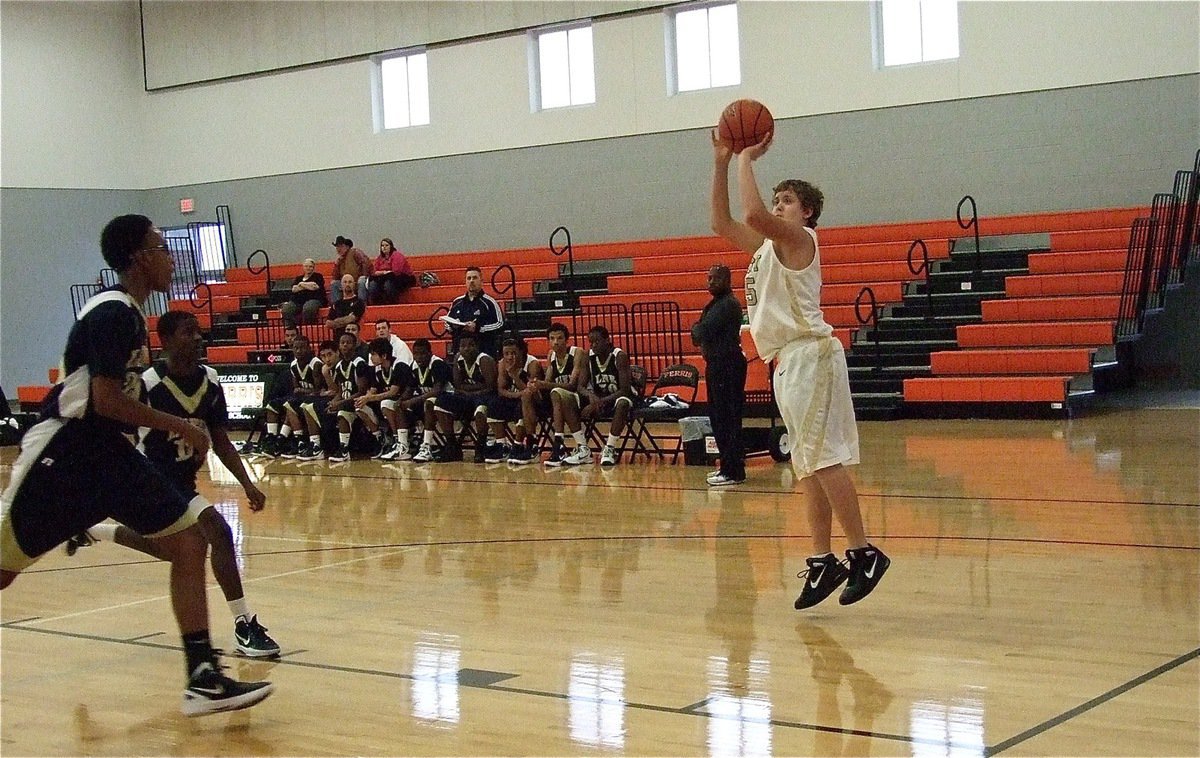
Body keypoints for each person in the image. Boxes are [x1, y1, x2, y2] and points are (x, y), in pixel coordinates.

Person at [0, 214, 272, 716]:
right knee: (2, 572)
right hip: (69, 452)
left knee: (191, 542)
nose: (171, 256)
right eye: (163, 247)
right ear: (138, 258)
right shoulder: (113, 314)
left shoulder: (130, 317)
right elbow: (103, 400)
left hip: (113, 457)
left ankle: (202, 676)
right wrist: (179, 424)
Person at [710, 129, 890, 609]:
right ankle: (822, 559)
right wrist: (721, 160)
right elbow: (721, 220)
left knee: (822, 459)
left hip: (809, 354)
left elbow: (751, 214)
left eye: (786, 200)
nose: (778, 206)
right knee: (805, 463)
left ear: (806, 212)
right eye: (777, 200)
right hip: (785, 361)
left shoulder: (799, 238)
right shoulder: (766, 249)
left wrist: (748, 156)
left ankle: (863, 552)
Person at [64, 310, 280, 658]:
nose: (197, 337)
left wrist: (247, 483)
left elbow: (221, 440)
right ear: (165, 341)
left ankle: (93, 530)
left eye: (198, 331)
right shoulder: (147, 384)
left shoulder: (209, 379)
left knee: (173, 548)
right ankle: (244, 625)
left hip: (182, 481)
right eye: (187, 331)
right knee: (216, 532)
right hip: (151, 479)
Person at [691, 264, 747, 486]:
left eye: (715, 278)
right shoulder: (715, 304)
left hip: (727, 365)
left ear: (727, 279)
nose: (710, 282)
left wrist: (699, 329)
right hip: (717, 365)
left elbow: (701, 331)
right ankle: (728, 466)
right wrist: (698, 330)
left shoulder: (727, 305)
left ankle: (733, 470)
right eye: (709, 278)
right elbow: (698, 333)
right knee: (718, 417)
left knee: (727, 418)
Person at [552, 325, 634, 467]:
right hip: (599, 398)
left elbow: (625, 390)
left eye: (597, 342)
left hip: (618, 398)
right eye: (591, 342)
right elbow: (580, 386)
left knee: (623, 403)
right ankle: (583, 448)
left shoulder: (619, 356)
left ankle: (610, 448)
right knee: (566, 397)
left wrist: (598, 401)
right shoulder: (588, 356)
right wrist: (590, 396)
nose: (593, 345)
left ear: (607, 341)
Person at [416, 333, 495, 464]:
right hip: (466, 397)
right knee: (440, 403)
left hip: (484, 398)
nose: (466, 348)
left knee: (481, 410)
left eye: (470, 345)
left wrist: (469, 390)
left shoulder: (484, 360)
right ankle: (452, 445)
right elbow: (458, 386)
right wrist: (473, 388)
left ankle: (480, 446)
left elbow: (491, 387)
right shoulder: (458, 358)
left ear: (477, 346)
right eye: (463, 345)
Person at [532, 322, 585, 466]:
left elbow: (572, 385)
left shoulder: (577, 352)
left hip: (580, 397)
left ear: (567, 340)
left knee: (556, 392)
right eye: (552, 338)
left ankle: (559, 443)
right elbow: (548, 381)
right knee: (532, 394)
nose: (556, 342)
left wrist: (546, 385)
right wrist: (536, 385)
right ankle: (528, 444)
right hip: (559, 400)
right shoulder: (551, 355)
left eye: (560, 338)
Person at [484, 337, 543, 463]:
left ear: (521, 352)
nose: (510, 357)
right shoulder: (502, 364)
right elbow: (501, 390)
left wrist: (515, 376)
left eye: (513, 353)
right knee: (494, 404)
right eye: (506, 354)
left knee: (523, 403)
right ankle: (502, 445)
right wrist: (519, 394)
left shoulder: (532, 364)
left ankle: (519, 444)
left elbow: (532, 391)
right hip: (517, 397)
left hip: (536, 402)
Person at [355, 337, 413, 459]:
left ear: (384, 355)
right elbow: (373, 390)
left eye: (374, 354)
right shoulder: (376, 369)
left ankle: (397, 440)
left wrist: (370, 398)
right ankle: (380, 439)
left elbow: (393, 392)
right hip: (389, 406)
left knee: (386, 403)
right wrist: (364, 398)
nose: (371, 358)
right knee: (360, 407)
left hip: (406, 405)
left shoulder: (399, 366)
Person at [324, 331, 372, 462]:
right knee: (331, 410)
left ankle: (378, 440)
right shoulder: (339, 366)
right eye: (342, 343)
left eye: (348, 343)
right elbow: (341, 390)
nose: (345, 345)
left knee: (342, 411)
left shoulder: (359, 363)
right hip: (346, 402)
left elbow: (362, 391)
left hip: (361, 402)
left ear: (355, 345)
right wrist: (334, 402)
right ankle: (342, 449)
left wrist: (340, 403)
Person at [404, 338, 452, 463]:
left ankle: (427, 445)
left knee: (430, 402)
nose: (418, 357)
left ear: (430, 353)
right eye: (416, 354)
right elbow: (409, 390)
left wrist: (412, 401)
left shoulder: (437, 364)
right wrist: (401, 401)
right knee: (397, 405)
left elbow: (437, 390)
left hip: (447, 400)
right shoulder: (413, 366)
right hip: (426, 402)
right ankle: (403, 444)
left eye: (422, 353)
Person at [445, 266, 505, 358]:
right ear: (465, 281)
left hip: (484, 352)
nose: (471, 281)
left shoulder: (489, 303)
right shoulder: (457, 302)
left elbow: (500, 324)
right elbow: (447, 324)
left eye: (475, 278)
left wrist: (478, 328)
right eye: (469, 278)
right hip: (461, 353)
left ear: (481, 281)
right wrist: (454, 327)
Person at [367, 238, 417, 305]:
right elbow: (374, 271)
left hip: (403, 278)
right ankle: (377, 304)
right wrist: (384, 272)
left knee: (388, 284)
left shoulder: (397, 255)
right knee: (373, 285)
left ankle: (392, 303)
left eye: (386, 245)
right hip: (385, 277)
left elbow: (396, 271)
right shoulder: (380, 258)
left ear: (391, 246)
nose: (384, 247)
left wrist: (382, 273)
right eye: (382, 246)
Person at [280, 257, 326, 327]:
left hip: (314, 299)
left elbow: (315, 287)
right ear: (303, 267)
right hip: (298, 301)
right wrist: (308, 285)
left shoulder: (318, 276)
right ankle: (291, 328)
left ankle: (308, 328)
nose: (308, 268)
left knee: (308, 308)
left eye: (310, 266)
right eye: (306, 266)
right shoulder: (298, 278)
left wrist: (301, 284)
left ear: (313, 268)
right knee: (286, 309)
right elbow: (294, 289)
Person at [330, 235, 371, 304]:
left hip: (357, 282)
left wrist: (364, 275)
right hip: (346, 283)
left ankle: (362, 304)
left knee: (362, 281)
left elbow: (365, 263)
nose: (338, 249)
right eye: (337, 247)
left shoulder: (355, 252)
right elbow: (335, 277)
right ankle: (336, 306)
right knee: (335, 284)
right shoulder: (339, 260)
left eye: (341, 246)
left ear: (347, 246)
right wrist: (336, 265)